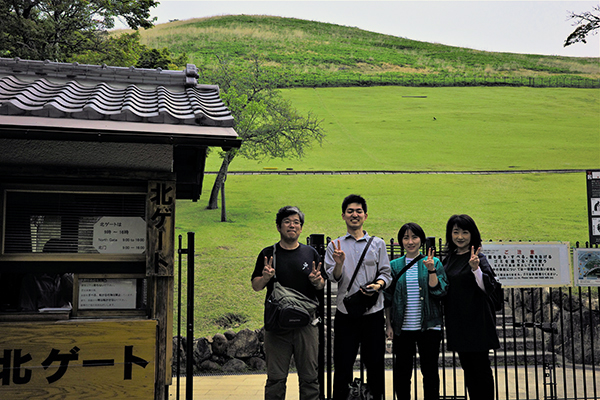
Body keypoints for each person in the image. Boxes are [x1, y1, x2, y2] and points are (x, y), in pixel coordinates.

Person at [251, 205, 325, 400]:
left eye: (296, 222)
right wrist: (266, 278)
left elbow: (321, 285)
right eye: (287, 222)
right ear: (278, 226)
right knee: (275, 379)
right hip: (277, 326)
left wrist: (318, 281)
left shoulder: (311, 254)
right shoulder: (268, 253)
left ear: (301, 228)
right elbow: (256, 286)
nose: (292, 225)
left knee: (310, 378)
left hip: (307, 325)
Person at [325, 194, 392, 400]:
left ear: (365, 215)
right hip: (347, 314)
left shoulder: (378, 244)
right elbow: (332, 278)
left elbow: (386, 273)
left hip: (373, 312)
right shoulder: (334, 245)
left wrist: (378, 284)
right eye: (350, 211)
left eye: (359, 211)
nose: (355, 215)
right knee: (343, 364)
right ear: (343, 215)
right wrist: (338, 263)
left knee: (375, 365)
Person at [384, 222, 448, 400]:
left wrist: (431, 271)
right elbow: (387, 298)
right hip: (402, 328)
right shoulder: (394, 265)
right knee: (402, 373)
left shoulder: (433, 262)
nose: (410, 241)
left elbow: (440, 291)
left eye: (414, 237)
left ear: (421, 240)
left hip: (429, 327)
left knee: (430, 372)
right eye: (406, 237)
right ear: (401, 241)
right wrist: (388, 324)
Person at [442, 214, 500, 400]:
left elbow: (487, 288)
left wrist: (476, 269)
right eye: (456, 232)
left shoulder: (478, 258)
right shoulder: (449, 259)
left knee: (481, 367)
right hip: (457, 320)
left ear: (472, 234)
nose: (460, 237)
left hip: (478, 320)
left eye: (465, 232)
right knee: (467, 367)